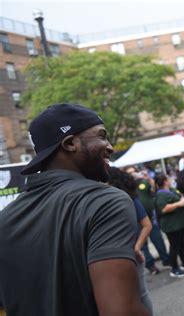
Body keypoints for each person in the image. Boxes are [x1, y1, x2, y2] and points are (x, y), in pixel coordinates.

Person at [0, 103, 151, 316]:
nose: (110, 146)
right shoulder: (105, 202)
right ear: (71, 143)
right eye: (101, 136)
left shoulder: (5, 218)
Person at [107, 167, 154, 314]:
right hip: (114, 256)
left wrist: (137, 247)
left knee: (141, 293)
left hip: (132, 255)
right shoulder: (105, 200)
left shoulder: (129, 198)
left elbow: (147, 225)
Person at [127, 166, 171, 274]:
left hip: (150, 217)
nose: (133, 174)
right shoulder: (127, 186)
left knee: (158, 239)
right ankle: (151, 266)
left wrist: (148, 178)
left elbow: (154, 190)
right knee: (143, 245)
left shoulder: (143, 182)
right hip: (136, 220)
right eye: (130, 173)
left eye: (134, 172)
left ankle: (166, 260)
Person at [154, 173, 184, 278]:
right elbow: (164, 208)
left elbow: (179, 196)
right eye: (168, 178)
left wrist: (182, 200)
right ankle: (174, 268)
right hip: (172, 226)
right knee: (174, 246)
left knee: (182, 244)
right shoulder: (161, 194)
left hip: (180, 223)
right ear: (165, 181)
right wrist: (179, 204)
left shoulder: (171, 190)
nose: (170, 180)